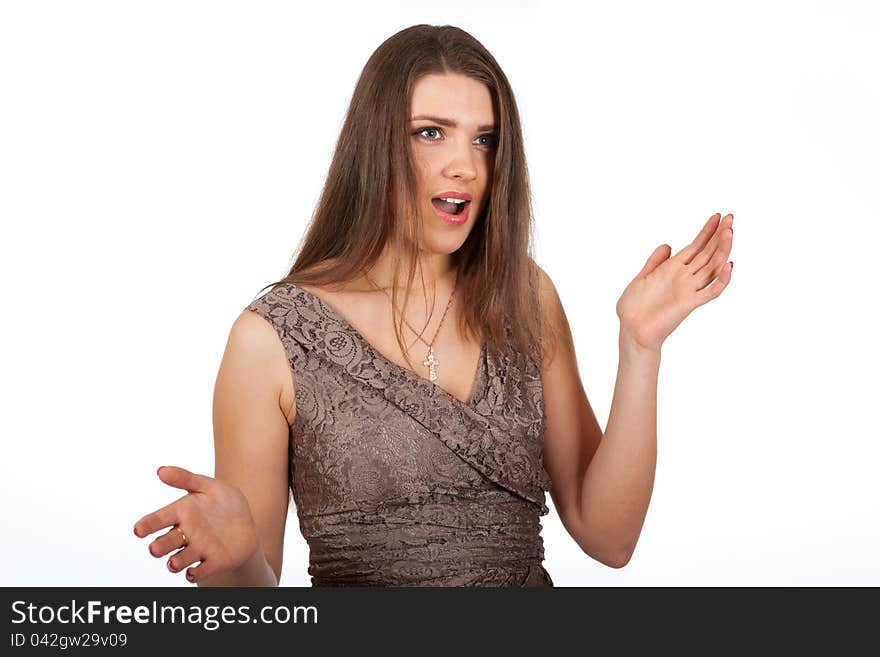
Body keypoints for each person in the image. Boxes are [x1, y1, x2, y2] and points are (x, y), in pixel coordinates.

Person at [133, 24, 734, 587]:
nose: (465, 166)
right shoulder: (271, 339)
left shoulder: (525, 297)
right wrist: (237, 558)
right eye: (430, 132)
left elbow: (610, 536)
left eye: (485, 140)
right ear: (375, 146)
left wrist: (640, 346)